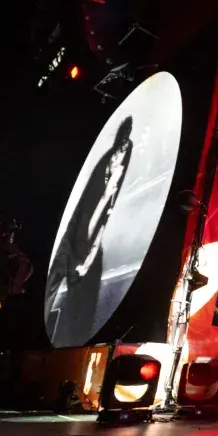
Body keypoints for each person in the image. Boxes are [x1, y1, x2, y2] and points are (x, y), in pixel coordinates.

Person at [45, 117, 133, 347]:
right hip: (89, 218)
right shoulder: (107, 162)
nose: (124, 146)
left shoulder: (123, 157)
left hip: (99, 216)